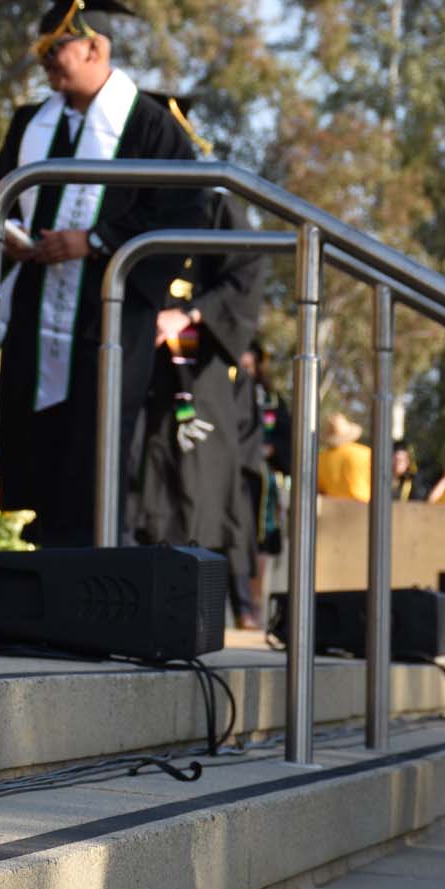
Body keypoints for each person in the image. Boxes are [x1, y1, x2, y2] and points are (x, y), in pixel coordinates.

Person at [0, 0, 204, 546]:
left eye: (58, 47)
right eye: (43, 48)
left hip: (105, 326)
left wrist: (95, 240)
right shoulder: (31, 123)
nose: (46, 59)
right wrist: (12, 239)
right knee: (36, 452)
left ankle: (91, 579)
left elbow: (182, 212)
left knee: (93, 456)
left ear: (96, 48)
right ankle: (42, 569)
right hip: (35, 319)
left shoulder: (150, 126)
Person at [136, 104, 267, 619]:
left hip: (201, 371)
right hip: (143, 369)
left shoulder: (217, 207)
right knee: (139, 475)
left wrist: (188, 316)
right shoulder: (140, 202)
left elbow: (245, 275)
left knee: (199, 482)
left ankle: (203, 602)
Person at [317, 411, 372, 501]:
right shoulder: (365, 453)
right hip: (363, 507)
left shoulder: (320, 459)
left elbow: (320, 490)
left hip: (332, 509)